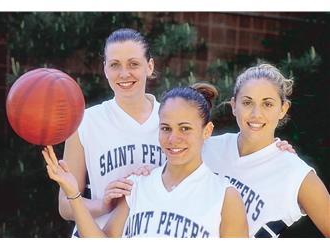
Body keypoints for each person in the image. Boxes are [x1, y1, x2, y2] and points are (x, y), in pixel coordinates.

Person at [42, 84, 249, 237]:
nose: (173, 139)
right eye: (166, 128)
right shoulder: (139, 185)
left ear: (207, 131)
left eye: (185, 128)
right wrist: (73, 193)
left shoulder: (224, 196)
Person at [59, 28, 166, 237]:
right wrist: (104, 204)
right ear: (105, 69)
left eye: (133, 64)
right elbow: (65, 205)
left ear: (149, 66)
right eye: (115, 65)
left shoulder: (171, 121)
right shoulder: (85, 122)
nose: (124, 74)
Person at [202, 63, 330, 237]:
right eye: (247, 102)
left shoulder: (296, 174)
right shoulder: (207, 148)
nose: (256, 114)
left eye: (267, 104)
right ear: (234, 105)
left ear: (282, 109)